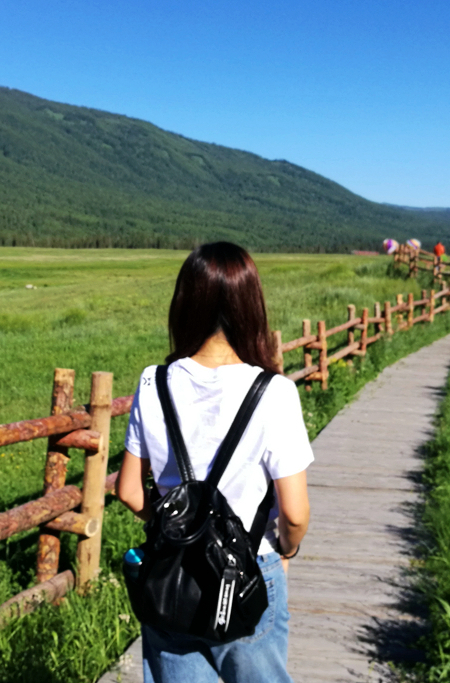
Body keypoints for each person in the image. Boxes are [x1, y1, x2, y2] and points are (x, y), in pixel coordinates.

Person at [117, 242, 313, 683]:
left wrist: (178, 527)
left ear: (185, 302)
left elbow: (128, 491)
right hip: (249, 569)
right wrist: (287, 549)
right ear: (251, 306)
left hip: (172, 574)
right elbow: (295, 514)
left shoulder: (153, 382)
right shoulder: (275, 392)